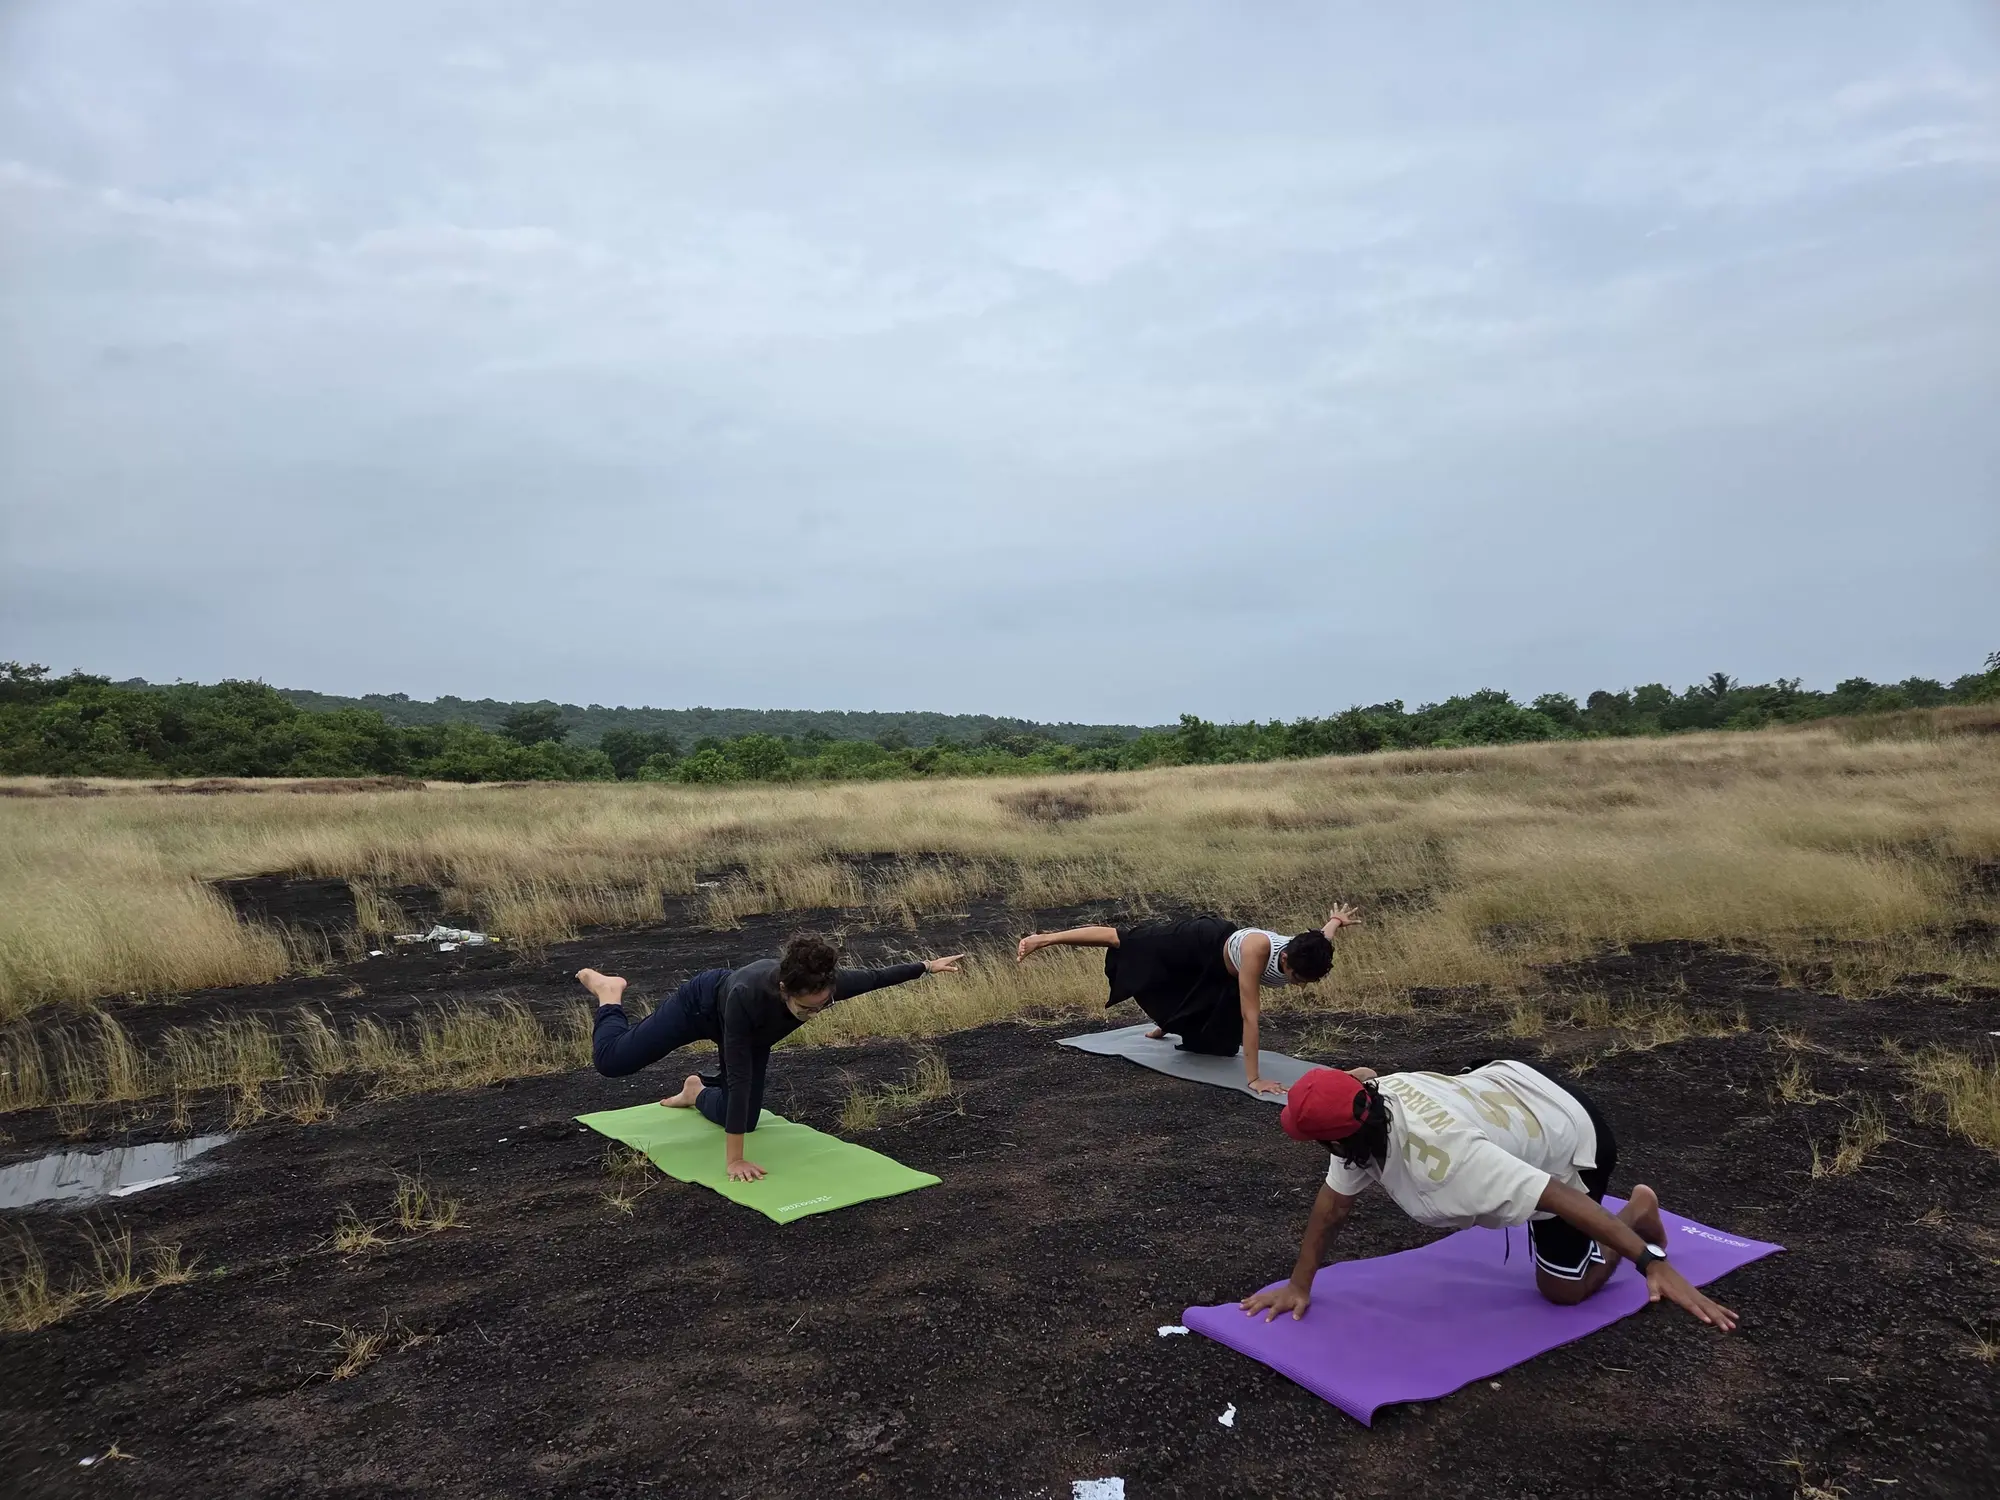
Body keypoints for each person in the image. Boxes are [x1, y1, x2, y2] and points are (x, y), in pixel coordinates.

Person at [1239, 1061, 1737, 1330]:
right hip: (1509, 1083)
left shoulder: (1455, 1168)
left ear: (1335, 1137)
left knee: (1562, 1292)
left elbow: (1559, 1195)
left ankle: (1637, 1210)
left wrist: (1651, 1262)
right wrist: (1299, 1286)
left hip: (1570, 1138)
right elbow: (1333, 1206)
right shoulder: (1366, 1104)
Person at [577, 933, 964, 1182]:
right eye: (807, 1009)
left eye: (823, 1004)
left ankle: (695, 1092)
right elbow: (741, 1077)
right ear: (784, 991)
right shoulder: (749, 996)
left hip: (751, 1030)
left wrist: (928, 966)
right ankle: (610, 994)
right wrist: (734, 1162)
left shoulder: (823, 986)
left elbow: (877, 976)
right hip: (701, 1006)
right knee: (612, 1062)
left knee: (745, 1119)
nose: (817, 1012)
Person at [1014, 905, 1361, 1095]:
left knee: (1215, 1044)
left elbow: (1322, 936)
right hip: (1201, 941)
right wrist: (1254, 1079)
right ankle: (1046, 938)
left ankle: (1166, 1025)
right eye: (1296, 979)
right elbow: (1250, 1018)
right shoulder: (1259, 953)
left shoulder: (1309, 950)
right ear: (1285, 960)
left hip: (1222, 970)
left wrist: (1335, 921)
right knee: (1126, 941)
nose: (1298, 986)